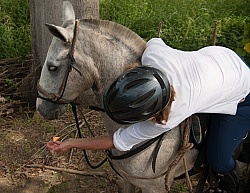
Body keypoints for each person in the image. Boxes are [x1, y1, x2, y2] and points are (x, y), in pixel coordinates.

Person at [47, 38, 250, 193]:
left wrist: (73, 142)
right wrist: (71, 142)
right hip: (222, 58)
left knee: (219, 158)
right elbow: (154, 41)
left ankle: (229, 185)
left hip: (243, 90)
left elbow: (118, 141)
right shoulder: (153, 55)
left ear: (156, 113)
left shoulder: (172, 115)